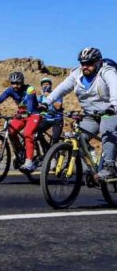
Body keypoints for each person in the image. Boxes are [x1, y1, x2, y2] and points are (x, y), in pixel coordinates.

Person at [41, 47, 117, 179]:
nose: (85, 66)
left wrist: (113, 106)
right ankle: (91, 165)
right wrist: (46, 102)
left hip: (110, 111)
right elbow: (61, 89)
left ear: (98, 62)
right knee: (78, 137)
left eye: (89, 63)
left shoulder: (107, 71)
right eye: (82, 63)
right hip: (91, 114)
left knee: (106, 130)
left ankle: (109, 166)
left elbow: (115, 88)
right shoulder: (76, 74)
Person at [0, 71, 41, 172]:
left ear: (22, 82)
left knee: (28, 133)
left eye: (17, 83)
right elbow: (0, 99)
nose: (15, 85)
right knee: (11, 131)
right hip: (21, 114)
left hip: (33, 114)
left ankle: (29, 161)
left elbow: (30, 103)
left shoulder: (30, 89)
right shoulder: (10, 90)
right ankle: (20, 152)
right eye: (13, 83)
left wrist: (28, 112)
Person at [37, 77, 63, 145]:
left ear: (51, 85)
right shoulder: (40, 97)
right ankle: (47, 148)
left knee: (55, 140)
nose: (45, 86)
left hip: (57, 119)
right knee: (37, 132)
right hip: (46, 119)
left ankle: (55, 149)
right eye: (43, 84)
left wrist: (49, 96)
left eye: (47, 84)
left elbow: (58, 106)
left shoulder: (57, 94)